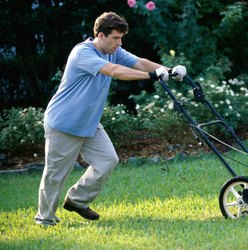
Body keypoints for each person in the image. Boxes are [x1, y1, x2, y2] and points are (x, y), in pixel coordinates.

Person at [34, 11, 186, 226]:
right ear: (101, 35)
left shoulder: (114, 51)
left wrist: (168, 70)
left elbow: (140, 63)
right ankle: (45, 219)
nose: (119, 42)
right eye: (115, 37)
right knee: (56, 174)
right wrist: (153, 75)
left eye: (121, 38)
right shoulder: (83, 53)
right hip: (64, 123)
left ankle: (77, 200)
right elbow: (114, 71)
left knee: (108, 160)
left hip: (89, 122)